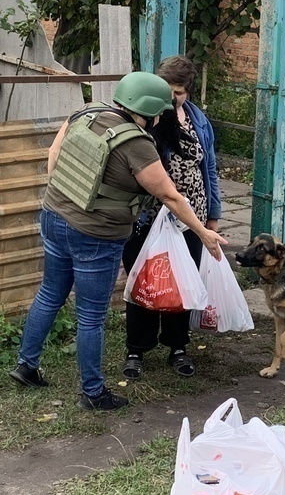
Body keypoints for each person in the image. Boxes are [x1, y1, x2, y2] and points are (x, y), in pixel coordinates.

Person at [9, 71, 226, 411]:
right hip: (97, 235)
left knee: (50, 293)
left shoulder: (86, 112)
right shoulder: (137, 143)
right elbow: (170, 196)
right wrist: (204, 232)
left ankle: (26, 364)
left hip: (53, 216)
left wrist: (65, 201)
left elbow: (54, 154)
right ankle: (93, 392)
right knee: (91, 316)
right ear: (153, 110)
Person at [122, 55, 221, 380]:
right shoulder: (146, 118)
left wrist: (213, 216)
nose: (170, 98)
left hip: (191, 216)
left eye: (176, 92)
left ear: (187, 92)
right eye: (165, 90)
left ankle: (178, 347)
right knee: (145, 280)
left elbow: (209, 168)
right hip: (149, 218)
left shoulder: (198, 120)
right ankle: (137, 349)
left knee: (183, 282)